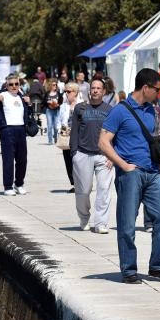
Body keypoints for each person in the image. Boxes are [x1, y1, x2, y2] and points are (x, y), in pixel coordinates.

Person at [99, 68, 160, 284]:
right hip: (130, 174)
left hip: (153, 172)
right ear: (145, 87)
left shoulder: (154, 110)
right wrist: (123, 165)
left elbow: (156, 137)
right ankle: (129, 269)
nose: (159, 94)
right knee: (127, 223)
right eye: (157, 89)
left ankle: (158, 266)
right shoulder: (119, 111)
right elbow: (103, 142)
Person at [70, 79, 114, 233]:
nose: (95, 90)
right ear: (89, 91)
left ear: (103, 92)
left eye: (98, 88)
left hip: (104, 156)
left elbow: (116, 134)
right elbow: (74, 131)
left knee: (104, 190)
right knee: (83, 191)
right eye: (93, 88)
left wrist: (112, 155)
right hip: (82, 154)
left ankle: (101, 223)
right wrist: (74, 153)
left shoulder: (110, 110)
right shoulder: (80, 108)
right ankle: (83, 217)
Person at [0, 73, 32, 196]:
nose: (14, 86)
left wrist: (29, 103)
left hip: (21, 129)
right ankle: (8, 186)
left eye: (16, 84)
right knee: (8, 160)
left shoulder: (21, 96)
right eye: (11, 84)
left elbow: (27, 113)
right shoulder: (2, 94)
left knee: (22, 160)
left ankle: (19, 184)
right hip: (7, 130)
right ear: (7, 85)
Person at [58, 81, 81, 193]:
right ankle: (74, 184)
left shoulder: (82, 105)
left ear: (75, 92)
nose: (66, 93)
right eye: (65, 91)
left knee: (79, 161)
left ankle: (81, 183)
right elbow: (59, 120)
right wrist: (61, 129)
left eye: (69, 91)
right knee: (68, 161)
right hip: (66, 137)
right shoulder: (63, 106)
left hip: (79, 137)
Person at [44, 78, 62, 145]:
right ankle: (50, 140)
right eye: (53, 85)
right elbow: (44, 102)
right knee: (49, 125)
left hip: (56, 111)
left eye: (55, 85)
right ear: (50, 86)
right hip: (49, 111)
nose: (55, 86)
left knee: (56, 126)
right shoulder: (47, 93)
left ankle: (56, 139)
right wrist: (48, 102)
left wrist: (58, 104)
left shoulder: (58, 93)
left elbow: (61, 101)